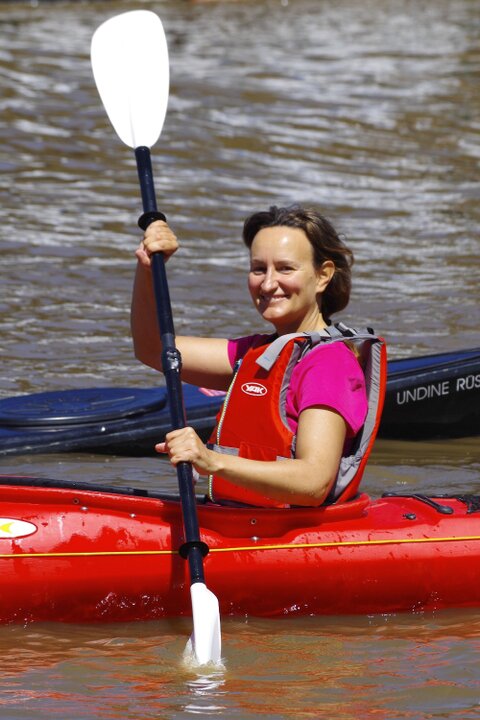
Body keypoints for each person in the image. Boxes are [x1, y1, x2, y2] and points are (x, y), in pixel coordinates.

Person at [131, 204, 370, 508]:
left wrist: (211, 461)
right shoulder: (255, 353)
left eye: (285, 268)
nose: (267, 284)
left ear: (323, 276)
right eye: (258, 269)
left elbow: (313, 483)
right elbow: (153, 350)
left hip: (286, 528)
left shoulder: (329, 363)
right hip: (237, 517)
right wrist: (149, 269)